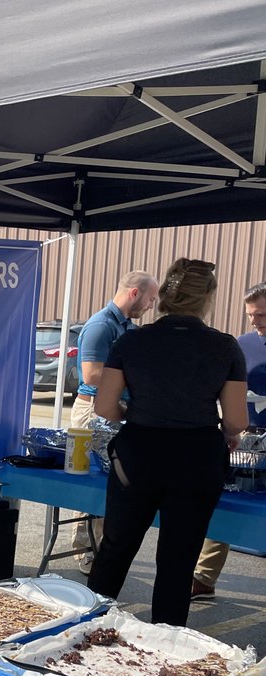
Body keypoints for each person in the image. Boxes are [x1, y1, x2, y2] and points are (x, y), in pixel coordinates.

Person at [87, 258, 247, 626]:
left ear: (165, 299)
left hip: (139, 453)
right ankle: (166, 646)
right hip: (196, 457)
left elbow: (106, 407)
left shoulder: (132, 340)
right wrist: (225, 430)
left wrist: (139, 411)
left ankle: (86, 628)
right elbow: (237, 420)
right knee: (178, 561)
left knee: (115, 548)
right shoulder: (224, 346)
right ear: (207, 299)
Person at [70, 270, 159, 574]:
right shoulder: (100, 325)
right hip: (93, 410)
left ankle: (100, 549)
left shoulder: (129, 329)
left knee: (110, 483)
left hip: (115, 410)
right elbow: (92, 374)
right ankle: (85, 550)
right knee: (90, 483)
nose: (153, 304)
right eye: (150, 297)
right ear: (135, 293)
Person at [189, 282, 266, 599]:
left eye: (260, 314)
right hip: (246, 438)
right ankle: (204, 577)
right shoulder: (242, 343)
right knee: (221, 501)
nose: (254, 321)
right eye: (250, 314)